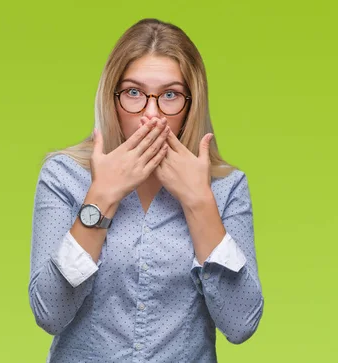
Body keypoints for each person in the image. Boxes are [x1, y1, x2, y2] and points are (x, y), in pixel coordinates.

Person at [28, 18, 264, 362]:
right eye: (134, 93)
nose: (150, 116)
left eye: (169, 95)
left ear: (191, 104)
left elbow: (241, 323)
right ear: (112, 97)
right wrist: (102, 196)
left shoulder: (226, 188)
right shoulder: (63, 176)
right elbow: (49, 313)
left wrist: (199, 203)